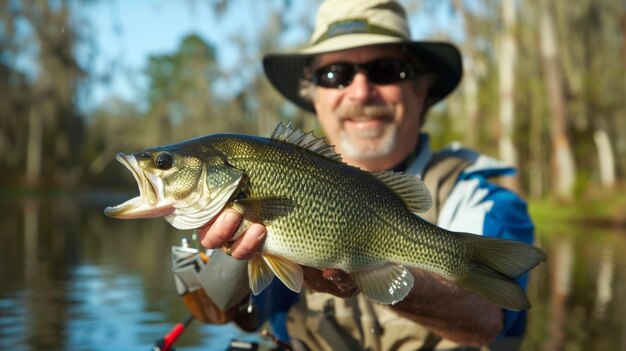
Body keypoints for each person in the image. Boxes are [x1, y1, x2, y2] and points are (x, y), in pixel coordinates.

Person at [197, 0, 535, 350]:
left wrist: (370, 271)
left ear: (421, 90)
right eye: (335, 75)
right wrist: (230, 247)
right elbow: (237, 311)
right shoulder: (274, 175)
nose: (360, 91)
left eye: (386, 70)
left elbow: (491, 321)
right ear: (313, 96)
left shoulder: (479, 197)